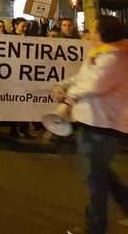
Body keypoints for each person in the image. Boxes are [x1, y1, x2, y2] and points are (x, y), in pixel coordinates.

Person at [53, 16, 128, 234]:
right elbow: (82, 77)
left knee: (95, 180)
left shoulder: (116, 58)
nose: (88, 33)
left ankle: (95, 229)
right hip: (92, 122)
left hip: (103, 125)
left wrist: (68, 95)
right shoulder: (100, 54)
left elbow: (95, 84)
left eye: (92, 30)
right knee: (100, 173)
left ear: (103, 33)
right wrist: (62, 85)